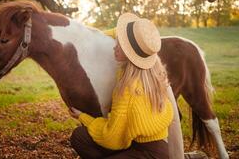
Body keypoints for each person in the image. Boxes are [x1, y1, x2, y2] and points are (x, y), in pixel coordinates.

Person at [69, 13, 180, 159]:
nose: (114, 47)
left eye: (120, 46)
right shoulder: (152, 73)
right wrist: (92, 35)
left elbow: (112, 138)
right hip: (160, 148)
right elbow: (118, 33)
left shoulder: (128, 88)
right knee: (80, 136)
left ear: (130, 54)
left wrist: (83, 117)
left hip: (145, 153)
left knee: (79, 137)